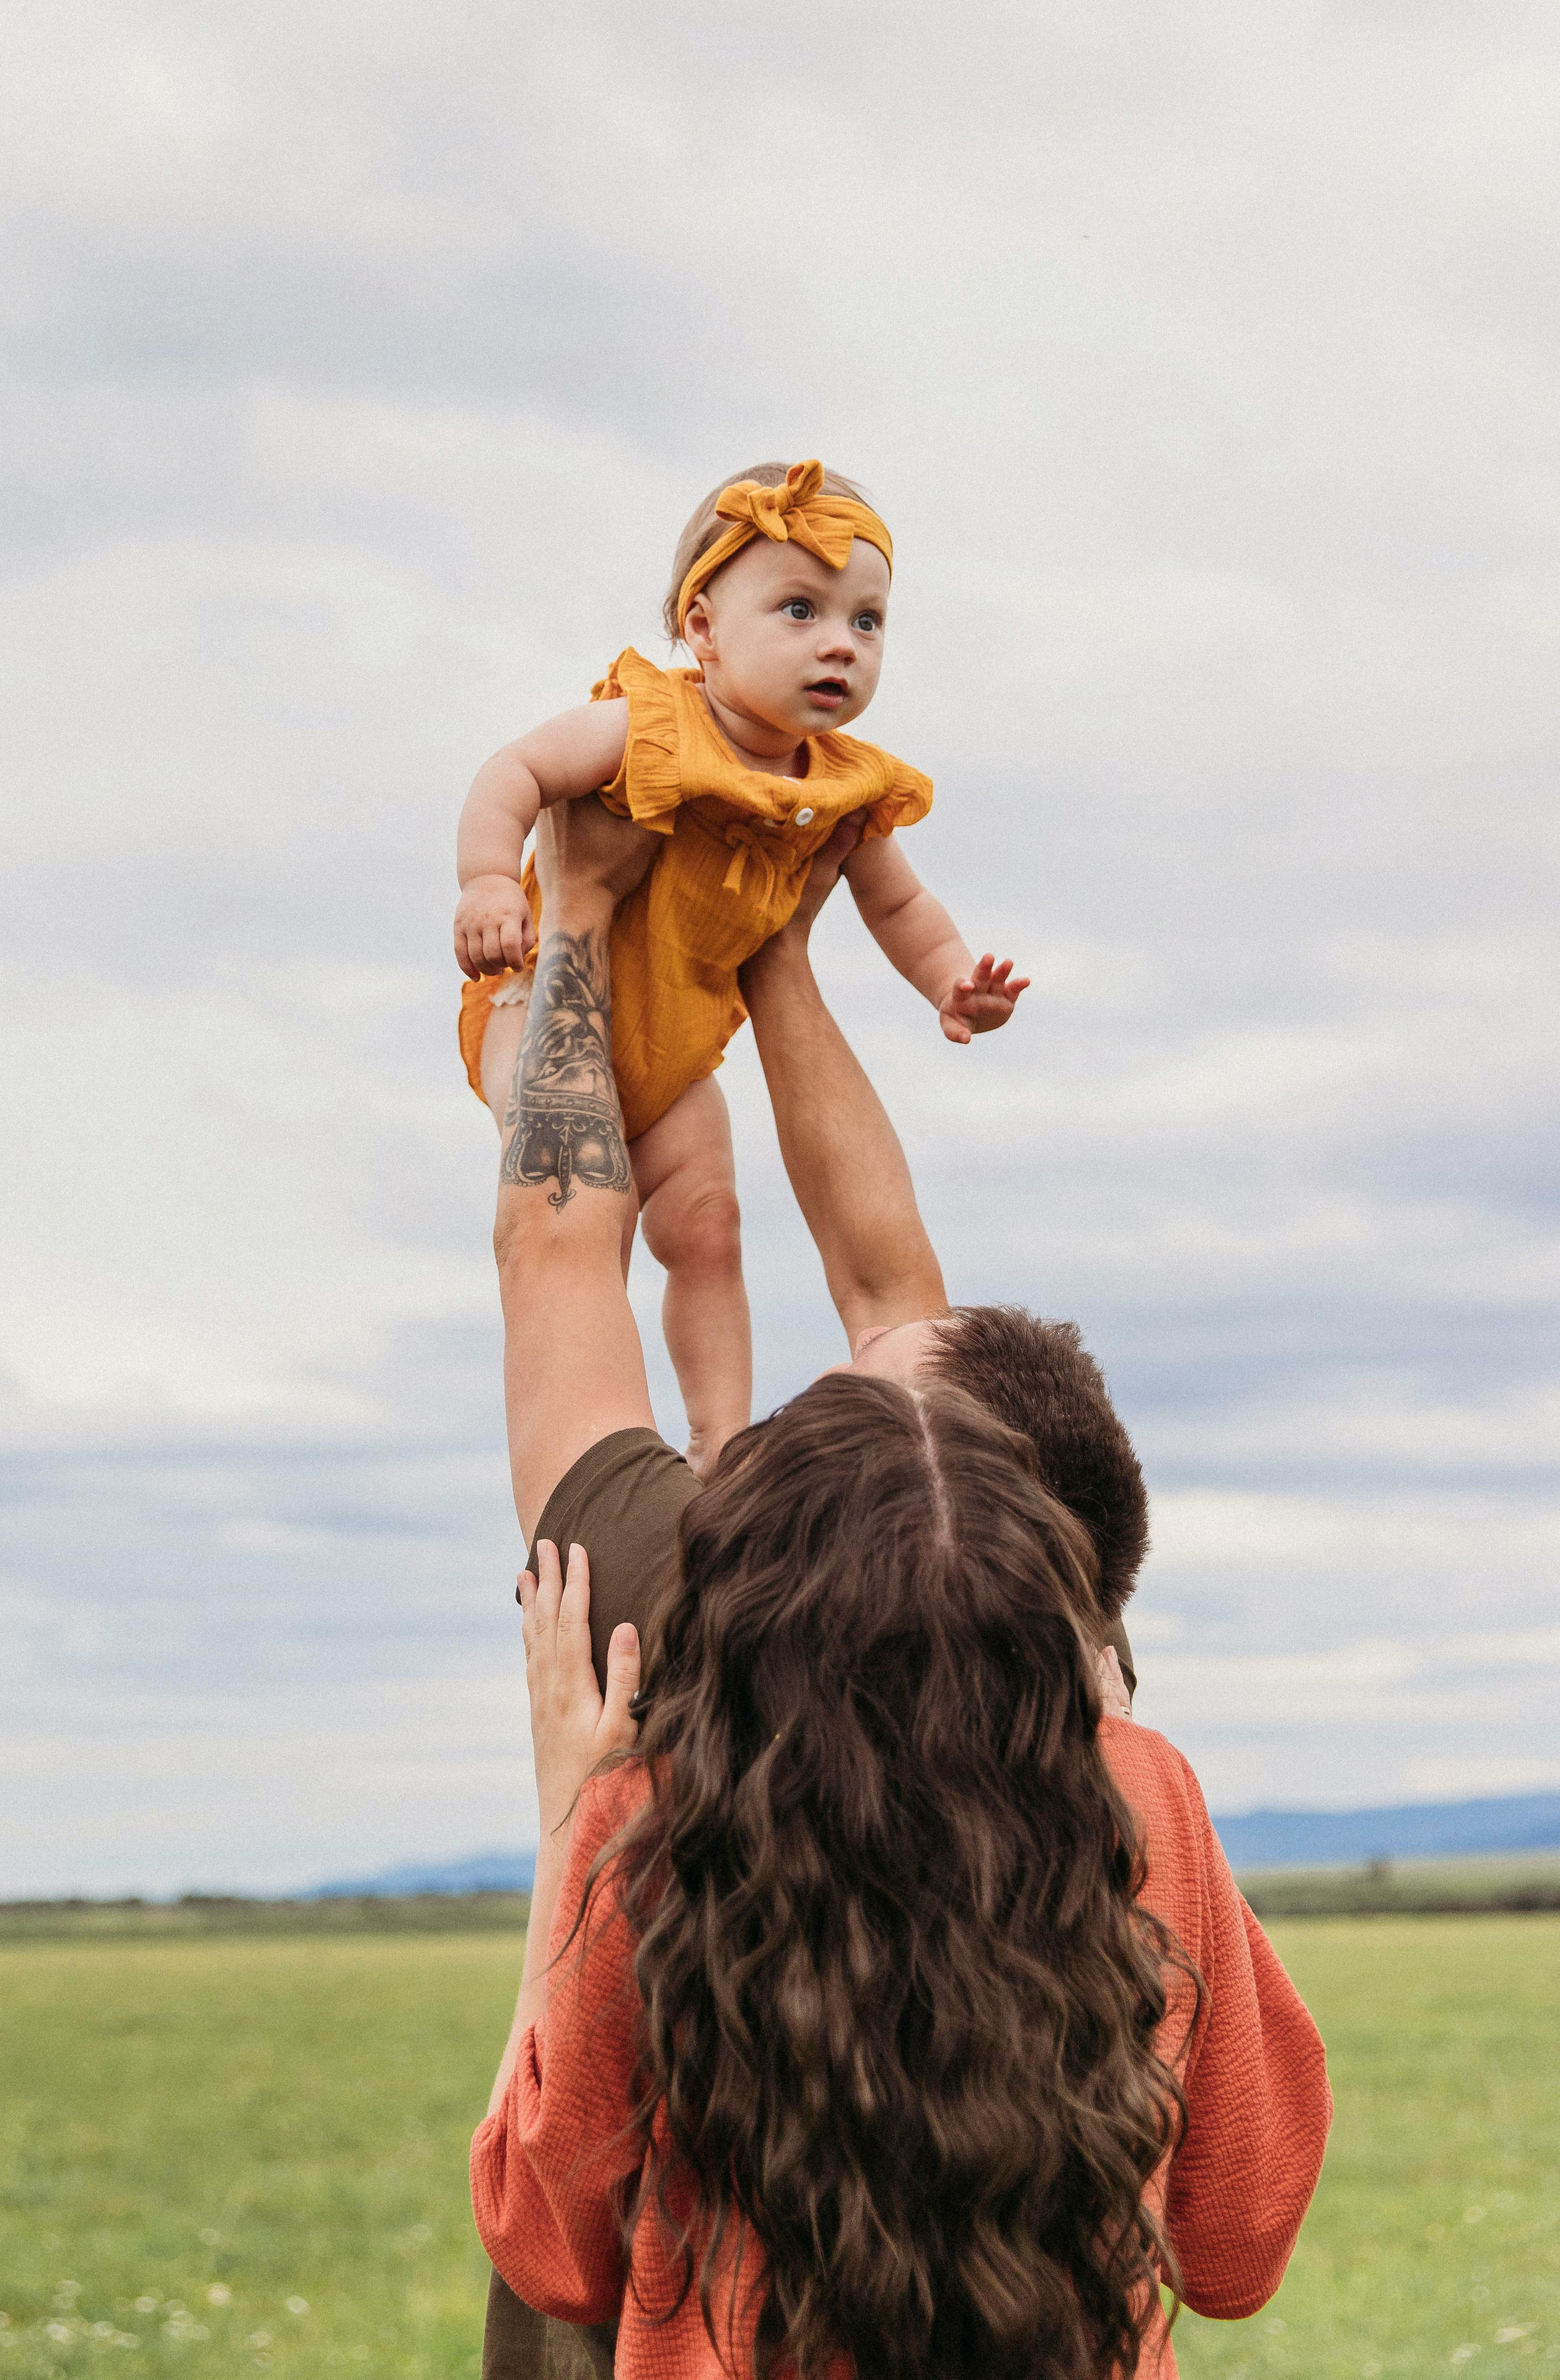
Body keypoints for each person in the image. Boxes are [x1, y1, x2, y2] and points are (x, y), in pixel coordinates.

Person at [470, 803, 1331, 2378]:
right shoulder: (1127, 1772)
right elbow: (1238, 2242)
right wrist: (784, 940)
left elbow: (559, 1257)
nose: (858, 1341)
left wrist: (581, 917)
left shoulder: (656, 1667)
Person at [453, 458, 1028, 1474]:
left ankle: (719, 1442)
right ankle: (598, 1422)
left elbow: (894, 899)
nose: (840, 646)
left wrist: (949, 980)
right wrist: (491, 883)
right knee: (587, 1229)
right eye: (800, 610)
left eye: (868, 621)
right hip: (535, 1003)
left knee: (711, 1227)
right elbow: (517, 773)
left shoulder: (845, 785)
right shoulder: (647, 727)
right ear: (704, 628)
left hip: (679, 1052)